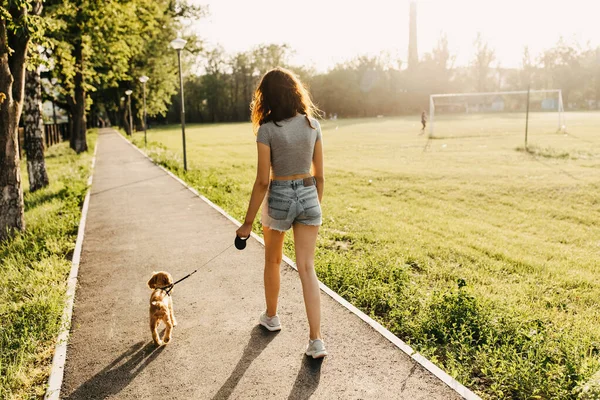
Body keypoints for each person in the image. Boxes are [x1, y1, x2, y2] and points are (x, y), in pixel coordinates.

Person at [236, 67, 327, 359]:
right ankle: (316, 342)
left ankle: (272, 317)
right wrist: (314, 205)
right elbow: (320, 176)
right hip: (309, 194)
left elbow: (263, 181)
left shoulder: (267, 129)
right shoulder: (313, 125)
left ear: (267, 97)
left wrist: (247, 224)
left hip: (279, 196)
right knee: (307, 268)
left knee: (273, 260)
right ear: (295, 91)